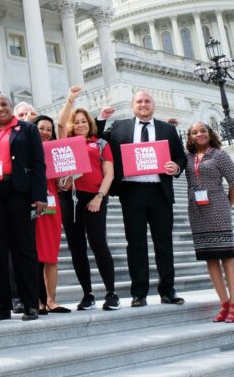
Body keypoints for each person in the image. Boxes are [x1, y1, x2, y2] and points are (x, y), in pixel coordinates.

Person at [98, 90, 187, 307]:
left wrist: (176, 167)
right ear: (132, 106)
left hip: (160, 193)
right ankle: (139, 293)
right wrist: (101, 119)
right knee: (135, 244)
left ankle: (168, 290)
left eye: (147, 101)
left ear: (153, 105)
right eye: (139, 101)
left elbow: (180, 157)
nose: (143, 104)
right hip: (132, 192)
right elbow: (97, 140)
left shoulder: (167, 129)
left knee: (163, 244)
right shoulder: (119, 127)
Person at [0, 92, 47, 321]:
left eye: (3, 104)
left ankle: (30, 304)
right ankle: (2, 306)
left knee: (24, 250)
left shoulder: (28, 129)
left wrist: (39, 195)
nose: (0, 109)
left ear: (10, 105)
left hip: (19, 193)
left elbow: (38, 163)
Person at [57, 87, 119, 311]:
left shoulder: (100, 144)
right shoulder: (66, 142)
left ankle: (111, 293)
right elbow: (61, 125)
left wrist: (99, 197)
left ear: (90, 123)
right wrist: (70, 100)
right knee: (77, 247)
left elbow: (109, 173)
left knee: (99, 245)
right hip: (69, 198)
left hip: (94, 197)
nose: (80, 124)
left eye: (84, 121)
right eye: (77, 121)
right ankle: (87, 294)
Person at [185, 122, 234, 322]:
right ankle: (223, 303)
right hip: (197, 212)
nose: (199, 134)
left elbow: (233, 180)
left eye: (203, 131)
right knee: (210, 258)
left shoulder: (219, 154)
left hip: (218, 209)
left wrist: (228, 203)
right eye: (194, 132)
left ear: (209, 133)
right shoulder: (188, 157)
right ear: (190, 137)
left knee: (227, 257)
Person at [32, 115, 70, 313]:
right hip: (31, 207)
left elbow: (64, 186)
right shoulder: (26, 149)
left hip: (52, 208)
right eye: (41, 128)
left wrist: (69, 173)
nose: (45, 132)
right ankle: (37, 300)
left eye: (48, 129)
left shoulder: (56, 152)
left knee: (51, 256)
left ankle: (51, 300)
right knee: (35, 254)